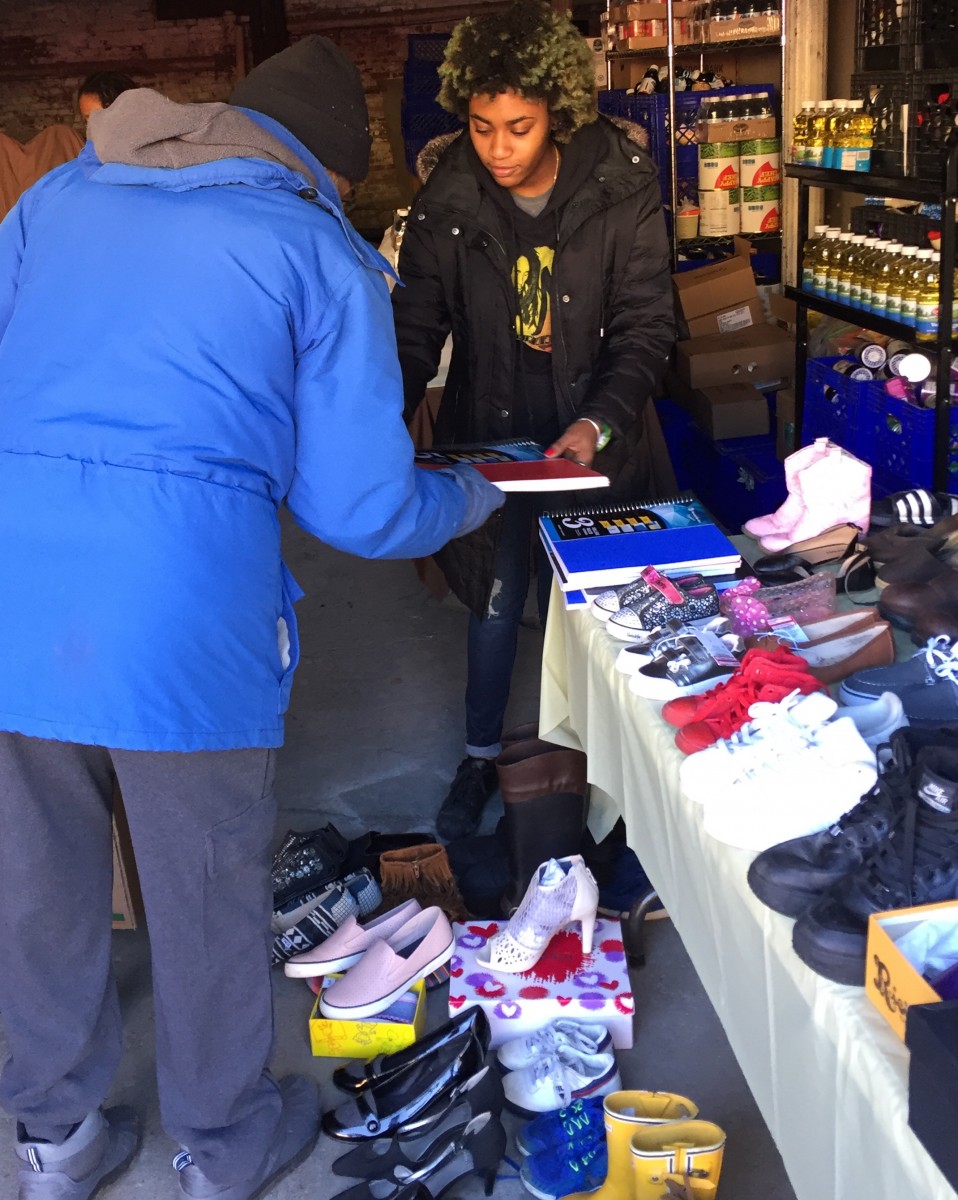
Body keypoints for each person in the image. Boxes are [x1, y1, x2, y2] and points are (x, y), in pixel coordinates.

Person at [0, 35, 501, 1200]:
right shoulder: (313, 248)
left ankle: (49, 1141)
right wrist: (476, 487)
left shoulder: (57, 196)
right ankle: (223, 1148)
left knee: (33, 880)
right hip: (177, 612)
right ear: (327, 169)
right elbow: (366, 509)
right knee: (206, 882)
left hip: (14, 578)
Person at [392, 1, 677, 841]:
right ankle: (482, 756)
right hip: (495, 436)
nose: (499, 149)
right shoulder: (448, 194)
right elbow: (417, 324)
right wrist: (378, 414)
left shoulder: (620, 185)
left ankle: (628, 778)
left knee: (609, 612)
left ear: (558, 108)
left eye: (518, 126)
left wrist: (601, 421)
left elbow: (647, 325)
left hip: (595, 440)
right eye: (481, 127)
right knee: (496, 598)